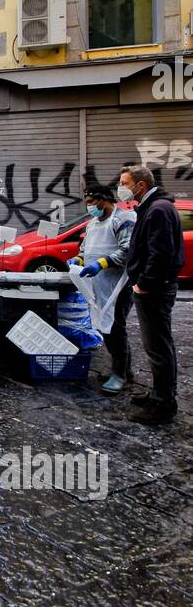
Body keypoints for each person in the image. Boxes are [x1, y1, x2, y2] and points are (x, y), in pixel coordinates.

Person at [118, 165, 184, 425]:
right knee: (156, 344)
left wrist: (143, 282)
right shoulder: (154, 207)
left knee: (158, 345)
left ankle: (163, 404)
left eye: (124, 182)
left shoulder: (157, 210)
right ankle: (159, 393)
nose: (121, 187)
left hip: (154, 288)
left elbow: (160, 252)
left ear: (141, 185)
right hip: (154, 286)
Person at [71, 185, 135, 394]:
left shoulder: (122, 220)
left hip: (119, 284)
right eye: (87, 203)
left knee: (116, 328)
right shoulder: (92, 225)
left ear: (105, 200)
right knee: (106, 326)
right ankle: (124, 368)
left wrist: (101, 264)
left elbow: (127, 250)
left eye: (92, 202)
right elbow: (85, 249)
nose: (90, 207)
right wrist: (79, 260)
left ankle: (120, 375)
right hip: (99, 284)